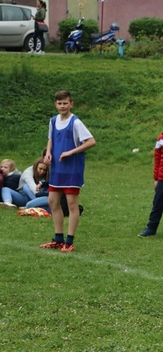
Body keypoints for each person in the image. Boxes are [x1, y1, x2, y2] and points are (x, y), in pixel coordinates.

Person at [39, 90, 96, 252]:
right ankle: (58, 238)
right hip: (57, 169)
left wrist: (71, 152)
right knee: (52, 201)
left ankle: (69, 241)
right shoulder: (53, 121)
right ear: (55, 104)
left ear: (71, 104)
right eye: (59, 103)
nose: (62, 106)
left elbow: (91, 141)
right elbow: (50, 139)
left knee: (72, 204)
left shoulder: (76, 122)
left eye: (65, 103)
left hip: (72, 169)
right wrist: (49, 152)